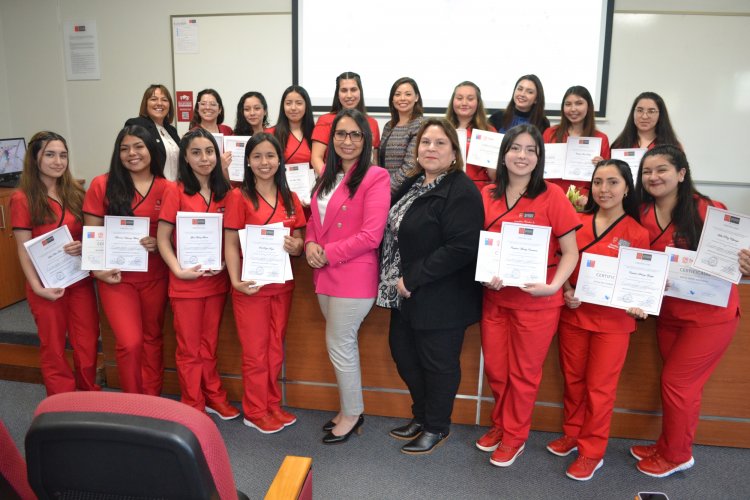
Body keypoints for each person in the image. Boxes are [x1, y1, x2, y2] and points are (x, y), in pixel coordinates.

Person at [628, 145, 742, 478]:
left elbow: (737, 258)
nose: (653, 177)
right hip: (669, 315)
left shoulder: (707, 210)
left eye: (662, 169)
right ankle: (669, 444)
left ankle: (677, 455)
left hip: (710, 319)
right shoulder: (643, 212)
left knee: (677, 384)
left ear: (681, 174)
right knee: (683, 388)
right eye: (647, 171)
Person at [377, 118, 483, 454]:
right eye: (425, 143)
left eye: (439, 143)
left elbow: (462, 247)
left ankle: (437, 426)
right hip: (405, 295)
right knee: (405, 356)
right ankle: (422, 416)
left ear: (454, 152)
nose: (431, 149)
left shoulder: (462, 190)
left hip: (441, 296)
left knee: (438, 364)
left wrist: (414, 277)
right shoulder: (413, 184)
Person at [476, 124, 580, 467]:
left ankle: (515, 436)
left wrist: (554, 287)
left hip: (538, 303)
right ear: (503, 154)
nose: (522, 156)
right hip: (496, 299)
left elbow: (571, 253)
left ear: (539, 157)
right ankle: (501, 424)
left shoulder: (554, 196)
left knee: (523, 374)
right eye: (516, 148)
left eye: (530, 150)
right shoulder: (487, 194)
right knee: (496, 369)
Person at [546, 159, 649, 481]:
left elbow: (640, 281)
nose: (604, 190)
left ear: (627, 188)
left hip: (614, 324)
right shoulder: (576, 220)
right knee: (573, 380)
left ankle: (592, 451)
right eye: (598, 182)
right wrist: (566, 289)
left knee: (600, 389)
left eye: (613, 182)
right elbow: (561, 259)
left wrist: (638, 304)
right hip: (575, 314)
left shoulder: (638, 232)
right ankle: (574, 433)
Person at [305, 109, 390, 444]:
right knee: (339, 344)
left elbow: (372, 235)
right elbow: (315, 217)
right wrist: (311, 241)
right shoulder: (327, 172)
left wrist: (327, 252)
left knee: (340, 346)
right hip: (325, 274)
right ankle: (347, 409)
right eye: (341, 134)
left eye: (356, 134)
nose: (348, 140)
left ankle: (353, 414)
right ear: (332, 138)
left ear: (366, 140)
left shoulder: (376, 176)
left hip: (354, 275)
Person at [224, 133, 306, 434]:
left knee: (275, 350)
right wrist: (236, 280)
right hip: (252, 287)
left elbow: (299, 237)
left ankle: (272, 404)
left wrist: (296, 245)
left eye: (270, 156)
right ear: (248, 161)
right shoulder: (238, 197)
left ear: (279, 160)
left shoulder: (291, 198)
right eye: (257, 156)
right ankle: (254, 410)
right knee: (255, 352)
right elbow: (231, 243)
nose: (264, 162)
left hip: (282, 285)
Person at [156, 128, 239, 420]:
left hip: (216, 281)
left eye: (209, 152)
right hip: (186, 283)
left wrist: (229, 265)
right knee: (189, 348)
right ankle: (192, 402)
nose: (204, 158)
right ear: (186, 159)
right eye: (196, 152)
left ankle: (214, 396)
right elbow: (163, 238)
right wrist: (177, 269)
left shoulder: (225, 192)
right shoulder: (174, 190)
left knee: (209, 345)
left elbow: (232, 238)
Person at [10, 131, 100, 396]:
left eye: (63, 155)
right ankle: (61, 400)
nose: (58, 161)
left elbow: (90, 234)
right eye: (50, 154)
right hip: (46, 285)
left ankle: (88, 391)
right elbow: (22, 249)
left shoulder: (75, 192)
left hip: (78, 280)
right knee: (54, 346)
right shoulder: (22, 198)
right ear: (35, 158)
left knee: (87, 340)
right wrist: (37, 288)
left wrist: (84, 246)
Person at [83, 125, 170, 395]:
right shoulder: (102, 184)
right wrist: (98, 271)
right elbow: (92, 233)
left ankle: (152, 399)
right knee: (130, 342)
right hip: (116, 279)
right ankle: (134, 401)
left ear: (151, 150)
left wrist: (160, 243)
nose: (132, 153)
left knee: (152, 339)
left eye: (138, 147)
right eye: (124, 148)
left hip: (155, 276)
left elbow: (173, 235)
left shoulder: (167, 187)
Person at [543, 86, 610, 208]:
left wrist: (602, 166)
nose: (573, 109)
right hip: (552, 197)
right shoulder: (550, 133)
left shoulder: (601, 138)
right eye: (568, 104)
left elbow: (605, 178)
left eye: (579, 103)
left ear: (588, 106)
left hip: (584, 200)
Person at [310, 72, 381, 176]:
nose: (349, 95)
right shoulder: (325, 120)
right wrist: (332, 184)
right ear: (337, 94)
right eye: (344, 90)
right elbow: (316, 158)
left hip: (363, 183)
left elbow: (374, 160)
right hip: (332, 182)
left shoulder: (372, 123)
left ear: (360, 92)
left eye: (353, 90)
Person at [445, 81, 496, 192]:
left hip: (477, 191)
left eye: (470, 98)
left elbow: (495, 176)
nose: (464, 103)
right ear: (453, 101)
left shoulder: (488, 132)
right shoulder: (442, 129)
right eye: (459, 98)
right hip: (445, 187)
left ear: (478, 103)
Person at [125, 84, 181, 181]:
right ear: (145, 103)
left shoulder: (172, 130)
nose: (159, 103)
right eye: (154, 99)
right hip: (152, 189)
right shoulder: (136, 125)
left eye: (164, 100)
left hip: (175, 189)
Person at [379, 77, 424, 192]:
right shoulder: (389, 126)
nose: (402, 98)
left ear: (416, 97)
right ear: (392, 99)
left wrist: (385, 189)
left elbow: (411, 166)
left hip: (406, 191)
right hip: (384, 188)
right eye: (397, 94)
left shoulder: (420, 125)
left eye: (408, 94)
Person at [611, 92, 681, 150]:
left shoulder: (673, 146)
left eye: (651, 111)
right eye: (640, 110)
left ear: (660, 114)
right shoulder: (619, 145)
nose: (644, 116)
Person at [266, 85, 315, 165]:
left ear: (306, 106)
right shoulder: (270, 133)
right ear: (283, 106)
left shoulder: (316, 133)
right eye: (288, 103)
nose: (293, 108)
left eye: (299, 103)